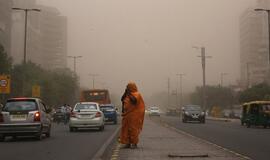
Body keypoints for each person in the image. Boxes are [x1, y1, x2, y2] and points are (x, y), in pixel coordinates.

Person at [120, 82, 145, 149]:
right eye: (126, 87)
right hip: (127, 115)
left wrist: (129, 93)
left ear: (132, 87)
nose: (127, 88)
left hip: (134, 115)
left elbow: (134, 101)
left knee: (133, 130)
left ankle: (134, 143)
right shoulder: (127, 95)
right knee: (125, 129)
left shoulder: (137, 94)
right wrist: (125, 93)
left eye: (128, 87)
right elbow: (122, 99)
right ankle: (127, 143)